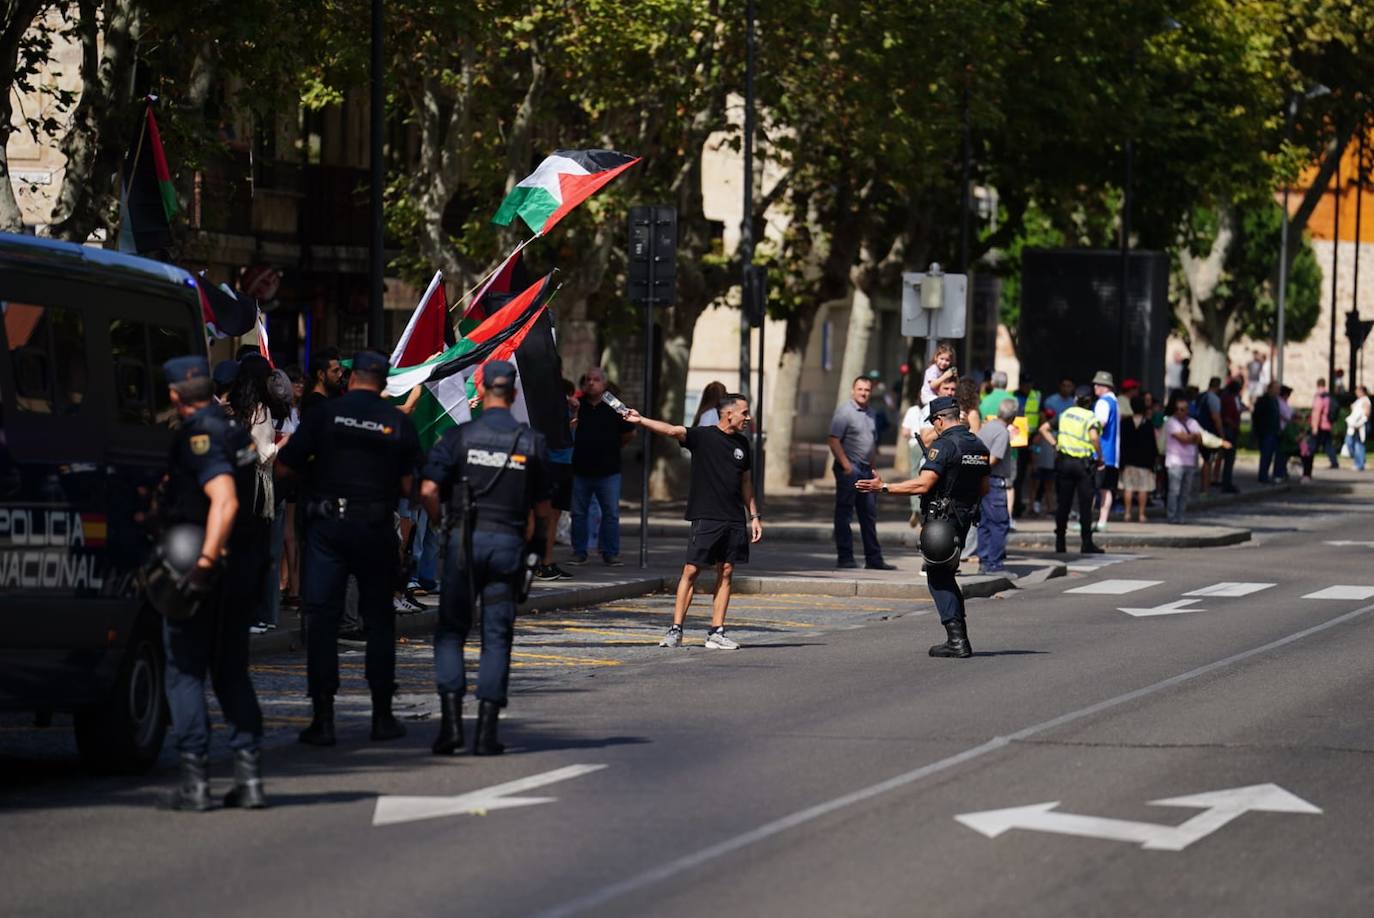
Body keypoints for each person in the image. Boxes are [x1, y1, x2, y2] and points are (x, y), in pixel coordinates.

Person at [278, 350, 422, 747]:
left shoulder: (325, 414)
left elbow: (285, 465)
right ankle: (382, 716)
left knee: (322, 620)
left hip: (327, 527)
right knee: (379, 622)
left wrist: (314, 478)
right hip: (374, 526)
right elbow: (410, 487)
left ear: (352, 377)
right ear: (384, 382)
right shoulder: (396, 421)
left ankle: (323, 718)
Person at [420, 360, 551, 756]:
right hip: (507, 545)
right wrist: (537, 550)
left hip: (462, 544)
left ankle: (451, 727)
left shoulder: (458, 437)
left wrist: (442, 523)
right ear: (513, 394)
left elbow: (428, 490)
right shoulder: (531, 442)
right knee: (496, 637)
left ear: (480, 389)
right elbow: (543, 509)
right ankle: (486, 733)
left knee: (451, 632)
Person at [155, 356, 267, 811]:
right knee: (231, 671)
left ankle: (195, 782)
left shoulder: (198, 436)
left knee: (184, 672)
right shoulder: (235, 431)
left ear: (174, 395)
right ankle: (250, 778)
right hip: (240, 570)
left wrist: (203, 564)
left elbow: (224, 500)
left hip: (206, 570)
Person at [856, 396, 990, 658]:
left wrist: (884, 487)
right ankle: (958, 637)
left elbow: (923, 484)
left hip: (942, 520)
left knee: (938, 576)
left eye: (934, 422)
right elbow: (983, 488)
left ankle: (957, 641)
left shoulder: (945, 445)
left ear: (939, 420)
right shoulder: (978, 445)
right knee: (947, 574)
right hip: (964, 519)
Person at [626, 393, 762, 650]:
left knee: (727, 571)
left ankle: (716, 631)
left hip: (734, 517)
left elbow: (746, 482)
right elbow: (671, 430)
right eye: (744, 412)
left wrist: (754, 516)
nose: (748, 417)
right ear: (728, 414)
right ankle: (676, 629)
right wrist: (641, 420)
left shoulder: (743, 444)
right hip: (706, 515)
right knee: (691, 571)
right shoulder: (703, 436)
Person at [828, 376, 894, 570]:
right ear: (853, 391)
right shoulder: (844, 412)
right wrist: (847, 467)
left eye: (867, 390)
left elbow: (871, 444)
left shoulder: (871, 413)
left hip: (866, 469)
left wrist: (873, 471)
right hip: (850, 468)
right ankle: (845, 557)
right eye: (860, 389)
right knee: (845, 514)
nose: (864, 393)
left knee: (869, 515)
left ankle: (873, 559)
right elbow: (833, 440)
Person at [570, 367, 634, 566]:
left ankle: (610, 552)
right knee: (578, 513)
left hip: (608, 470)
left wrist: (614, 446)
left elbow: (629, 432)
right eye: (588, 379)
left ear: (604, 383)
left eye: (596, 379)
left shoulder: (615, 405)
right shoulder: (578, 404)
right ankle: (579, 551)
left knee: (611, 514)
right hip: (580, 468)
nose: (591, 383)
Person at [1038, 386, 1104, 555]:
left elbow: (1043, 429)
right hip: (1083, 466)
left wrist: (1055, 445)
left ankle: (1060, 542)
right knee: (1085, 506)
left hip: (1064, 463)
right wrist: (1100, 457)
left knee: (1063, 504)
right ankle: (1086, 543)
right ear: (1090, 401)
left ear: (1075, 399)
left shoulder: (1065, 414)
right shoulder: (1090, 417)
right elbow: (1094, 438)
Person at [535, 378, 579, 581]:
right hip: (550, 463)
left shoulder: (569, 409)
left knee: (555, 515)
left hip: (564, 464)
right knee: (545, 514)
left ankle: (546, 561)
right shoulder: (545, 409)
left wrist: (574, 412)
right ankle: (539, 562)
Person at [900, 375, 959, 526]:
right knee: (930, 519)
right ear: (938, 389)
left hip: (954, 468)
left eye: (953, 389)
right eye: (946, 388)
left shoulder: (958, 408)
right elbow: (925, 440)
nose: (950, 392)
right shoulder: (930, 409)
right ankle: (918, 514)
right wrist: (951, 426)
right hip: (934, 464)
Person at [975, 398, 1017, 574]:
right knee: (1000, 523)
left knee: (985, 522)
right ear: (1013, 416)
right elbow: (994, 459)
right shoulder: (1002, 432)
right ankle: (994, 564)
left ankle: (984, 561)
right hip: (993, 480)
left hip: (982, 479)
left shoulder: (987, 427)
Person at [1163, 395, 1204, 523]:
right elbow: (1183, 439)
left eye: (1184, 409)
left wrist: (1190, 437)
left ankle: (1181, 516)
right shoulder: (1171, 422)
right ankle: (1171, 516)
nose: (1182, 412)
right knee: (1174, 491)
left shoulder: (1193, 422)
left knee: (1185, 493)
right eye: (1179, 409)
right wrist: (1191, 437)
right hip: (1175, 461)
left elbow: (1200, 438)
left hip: (1190, 462)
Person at [1120, 394, 1158, 523]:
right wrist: (1153, 461)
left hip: (1128, 461)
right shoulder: (1148, 423)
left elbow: (1122, 443)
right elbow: (1152, 444)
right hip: (1144, 461)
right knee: (1143, 488)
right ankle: (1142, 514)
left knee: (1128, 488)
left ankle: (1127, 513)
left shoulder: (1125, 423)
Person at [1091, 371, 1120, 532]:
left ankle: (1086, 520)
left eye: (1098, 384)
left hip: (1100, 452)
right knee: (1106, 489)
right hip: (1112, 454)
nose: (1095, 387)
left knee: (1091, 487)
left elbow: (1100, 424)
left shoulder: (1102, 403)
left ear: (1105, 387)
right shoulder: (1114, 402)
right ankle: (1102, 521)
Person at [300, 346, 343, 419]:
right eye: (335, 371)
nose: (340, 374)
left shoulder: (325, 401)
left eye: (340, 370)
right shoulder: (315, 405)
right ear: (321, 374)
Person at [1253, 381, 1283, 483]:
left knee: (1271, 455)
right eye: (1276, 388)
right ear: (1270, 389)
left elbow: (1276, 417)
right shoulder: (1263, 400)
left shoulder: (1275, 400)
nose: (1278, 391)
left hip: (1274, 432)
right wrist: (1258, 432)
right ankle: (1263, 476)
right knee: (1266, 455)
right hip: (1266, 432)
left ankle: (1267, 475)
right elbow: (1257, 417)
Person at [1218, 378, 1244, 493]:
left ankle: (1227, 482)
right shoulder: (1229, 399)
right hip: (1230, 430)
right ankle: (1226, 483)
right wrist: (1236, 427)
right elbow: (1227, 417)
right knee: (1229, 458)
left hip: (1231, 429)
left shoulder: (1231, 398)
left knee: (1229, 458)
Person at [1311, 379, 1338, 470]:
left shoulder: (1319, 396)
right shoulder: (1328, 396)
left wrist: (1315, 426)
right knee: (1328, 445)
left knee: (1313, 445)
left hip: (1320, 425)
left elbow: (1317, 412)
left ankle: (1308, 461)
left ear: (1317, 385)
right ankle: (1334, 462)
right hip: (1327, 424)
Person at [1346, 385, 1370, 472]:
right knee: (1351, 443)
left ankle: (1360, 463)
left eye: (1357, 391)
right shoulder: (1359, 400)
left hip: (1360, 426)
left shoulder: (1365, 400)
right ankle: (1360, 461)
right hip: (1353, 426)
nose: (1356, 392)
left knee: (1358, 445)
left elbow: (1366, 414)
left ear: (1362, 391)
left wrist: (1359, 424)